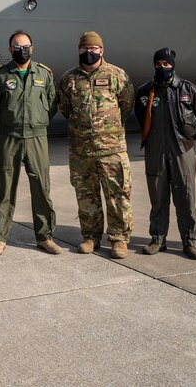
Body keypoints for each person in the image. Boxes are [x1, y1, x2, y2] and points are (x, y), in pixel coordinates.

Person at [56, 31, 135, 259]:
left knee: (118, 195)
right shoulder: (69, 79)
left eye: (93, 49)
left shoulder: (117, 75)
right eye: (85, 49)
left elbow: (126, 106)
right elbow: (66, 109)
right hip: (82, 151)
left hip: (112, 149)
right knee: (86, 196)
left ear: (102, 50)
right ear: (79, 50)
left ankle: (119, 239)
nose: (89, 52)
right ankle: (91, 236)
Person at [0, 30, 60, 256]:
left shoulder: (44, 74)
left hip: (37, 137)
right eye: (17, 47)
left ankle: (45, 236)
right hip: (10, 136)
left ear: (32, 48)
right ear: (10, 50)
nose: (22, 50)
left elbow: (51, 103)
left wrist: (38, 123)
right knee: (4, 187)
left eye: (25, 46)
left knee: (41, 187)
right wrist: (9, 123)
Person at [133, 48, 196, 259]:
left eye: (166, 64)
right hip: (155, 150)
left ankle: (190, 242)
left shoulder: (188, 89)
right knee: (158, 197)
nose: (162, 67)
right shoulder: (146, 91)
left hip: (182, 150)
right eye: (158, 64)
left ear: (173, 65)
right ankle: (157, 239)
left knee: (186, 196)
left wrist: (189, 140)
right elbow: (140, 117)